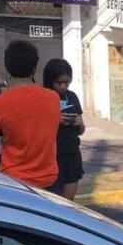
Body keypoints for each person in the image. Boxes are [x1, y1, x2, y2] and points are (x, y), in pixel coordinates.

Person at [0, 40, 59, 188]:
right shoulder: (53, 98)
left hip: (14, 181)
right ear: (35, 68)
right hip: (48, 179)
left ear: (7, 67)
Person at [44, 59, 85, 201]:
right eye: (58, 83)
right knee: (53, 202)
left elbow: (82, 130)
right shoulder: (43, 97)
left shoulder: (72, 96)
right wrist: (55, 120)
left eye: (66, 82)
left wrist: (77, 122)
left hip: (71, 154)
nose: (63, 86)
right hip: (51, 157)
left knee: (68, 203)